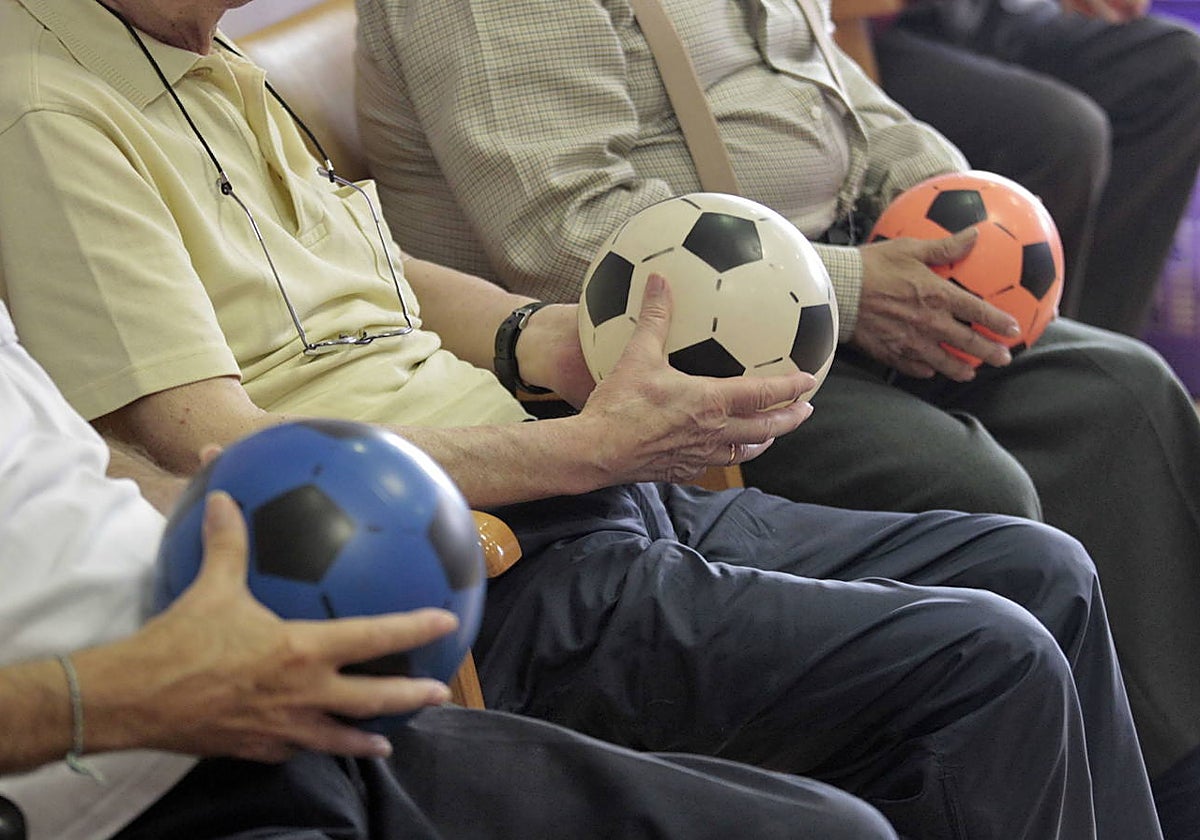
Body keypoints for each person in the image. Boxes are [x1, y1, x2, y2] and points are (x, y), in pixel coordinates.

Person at [0, 0, 1167, 836]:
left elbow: (380, 276)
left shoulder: (198, 51)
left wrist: (544, 338)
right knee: (986, 662)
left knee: (1043, 571)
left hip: (577, 474)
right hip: (476, 556)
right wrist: (581, 446)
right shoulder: (47, 101)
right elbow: (215, 452)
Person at [352, 0, 1200, 831]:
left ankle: (1157, 797)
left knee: (1121, 393)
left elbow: (829, 81)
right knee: (975, 489)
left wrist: (935, 192)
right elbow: (564, 233)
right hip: (692, 352)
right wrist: (857, 290)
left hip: (835, 268)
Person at [0, 301, 900, 840]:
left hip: (277, 689)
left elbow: (53, 468)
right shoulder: (51, 101)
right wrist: (113, 695)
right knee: (982, 655)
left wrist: (207, 504)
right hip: (116, 785)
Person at [872, 0, 1200, 335]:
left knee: (1183, 65)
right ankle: (1027, 347)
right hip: (888, 27)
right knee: (1066, 131)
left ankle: (1098, 345)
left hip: (1003, 13)